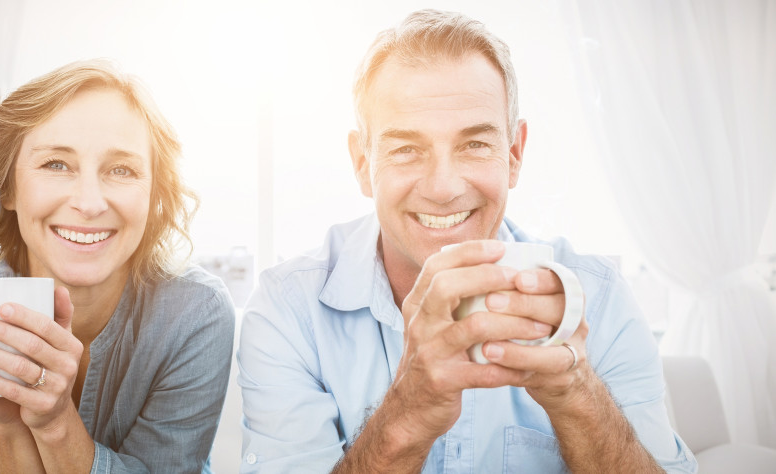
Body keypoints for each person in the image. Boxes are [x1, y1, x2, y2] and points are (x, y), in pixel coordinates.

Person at [237, 9, 697, 473]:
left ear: (514, 154)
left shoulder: (600, 299)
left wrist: (576, 395)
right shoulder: (288, 310)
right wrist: (407, 415)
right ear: (362, 163)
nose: (443, 187)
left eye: (475, 145)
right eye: (406, 150)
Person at [0, 59, 235, 473]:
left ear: (155, 194)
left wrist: (53, 424)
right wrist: (10, 425)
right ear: (7, 187)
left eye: (122, 170)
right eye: (56, 164)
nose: (89, 202)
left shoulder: (195, 314)